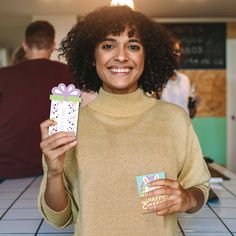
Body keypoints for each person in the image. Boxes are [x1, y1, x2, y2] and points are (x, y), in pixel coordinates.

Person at [38, 6, 210, 236]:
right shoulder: (69, 125)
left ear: (146, 56)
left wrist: (187, 198)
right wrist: (54, 173)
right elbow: (60, 218)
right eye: (108, 46)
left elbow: (200, 188)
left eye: (133, 46)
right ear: (92, 56)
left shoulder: (175, 120)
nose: (121, 56)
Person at [0, 20, 75, 178]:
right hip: (51, 167)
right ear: (53, 45)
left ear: (25, 45)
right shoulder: (69, 74)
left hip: (6, 169)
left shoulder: (3, 75)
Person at [160, 38, 191, 115]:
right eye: (174, 52)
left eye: (178, 52)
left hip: (185, 125)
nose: (178, 55)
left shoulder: (184, 79)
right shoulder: (156, 80)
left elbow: (190, 113)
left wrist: (193, 106)